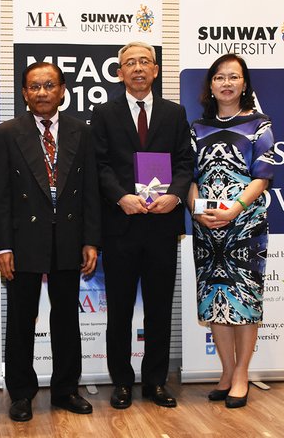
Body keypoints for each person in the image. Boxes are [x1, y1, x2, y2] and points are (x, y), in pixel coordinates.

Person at [0, 62, 100, 422]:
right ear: (24, 93)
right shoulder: (7, 133)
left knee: (67, 317)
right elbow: (1, 195)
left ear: (62, 90)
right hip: (24, 241)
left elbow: (90, 193)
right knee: (22, 318)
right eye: (34, 87)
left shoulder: (81, 132)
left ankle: (66, 389)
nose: (41, 93)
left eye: (48, 85)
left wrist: (91, 240)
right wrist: (3, 246)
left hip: (69, 238)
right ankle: (21, 394)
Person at [90, 41, 193, 409]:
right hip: (120, 225)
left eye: (144, 62)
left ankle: (155, 382)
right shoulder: (103, 114)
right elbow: (98, 165)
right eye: (129, 63)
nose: (137, 68)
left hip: (162, 226)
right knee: (118, 310)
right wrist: (121, 197)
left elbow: (185, 162)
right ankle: (121, 382)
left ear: (155, 70)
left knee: (159, 308)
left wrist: (177, 196)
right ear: (119, 73)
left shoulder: (174, 113)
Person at [188, 53, 275, 409]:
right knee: (215, 302)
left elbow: (263, 177)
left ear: (244, 84)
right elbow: (187, 177)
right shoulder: (196, 128)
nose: (226, 83)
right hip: (207, 228)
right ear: (210, 85)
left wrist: (234, 210)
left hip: (245, 225)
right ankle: (225, 372)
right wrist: (199, 213)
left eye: (233, 77)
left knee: (245, 302)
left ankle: (242, 374)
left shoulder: (260, 124)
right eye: (220, 77)